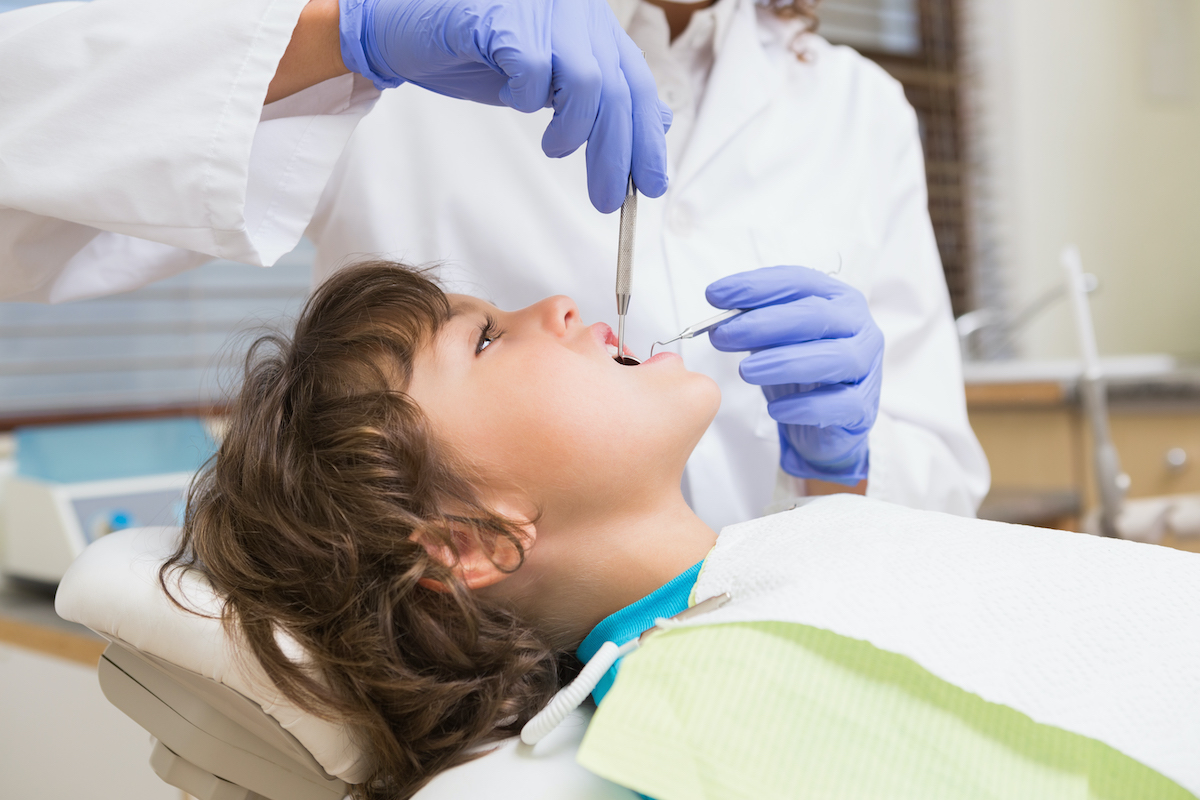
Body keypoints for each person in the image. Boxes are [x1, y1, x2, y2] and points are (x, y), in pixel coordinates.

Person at [168, 262, 1198, 800]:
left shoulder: (777, 585)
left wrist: (838, 500)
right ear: (469, 538)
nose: (559, 304)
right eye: (485, 337)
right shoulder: (693, 709)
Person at [0, 0, 989, 530]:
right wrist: (345, 33)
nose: (565, 308)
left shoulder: (858, 107)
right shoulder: (429, 29)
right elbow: (27, 216)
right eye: (480, 328)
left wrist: (841, 468)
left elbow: (939, 488)